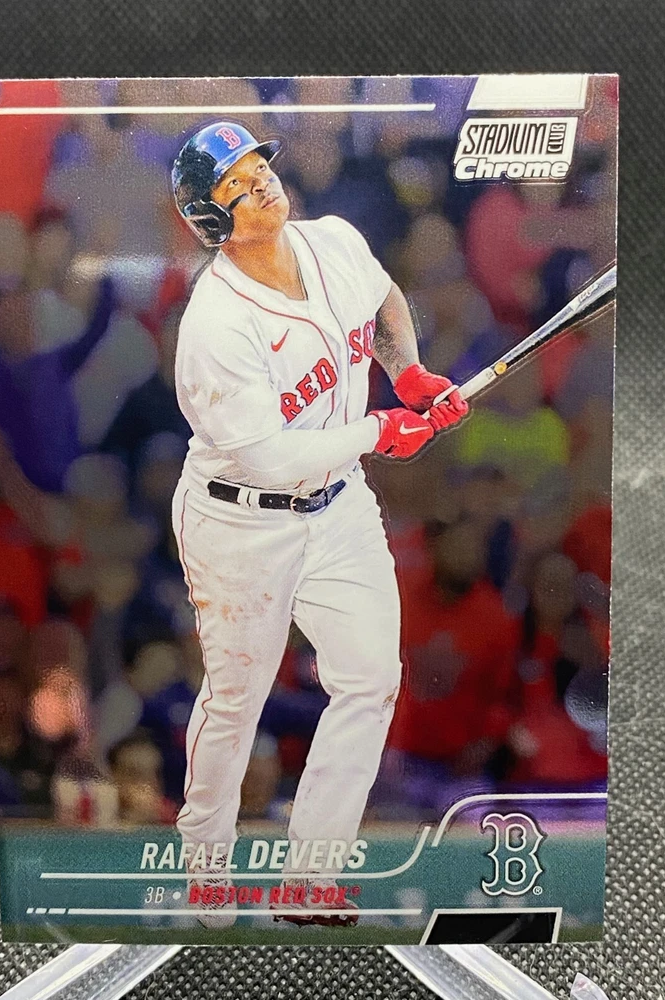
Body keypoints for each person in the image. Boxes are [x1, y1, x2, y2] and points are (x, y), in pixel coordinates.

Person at [169, 121, 468, 929]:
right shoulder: (216, 324)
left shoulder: (333, 239)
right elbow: (269, 458)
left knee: (369, 681)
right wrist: (378, 429)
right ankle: (205, 858)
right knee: (237, 699)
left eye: (258, 166)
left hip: (338, 502)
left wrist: (406, 372)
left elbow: (384, 300)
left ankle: (311, 878)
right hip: (240, 519)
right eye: (235, 183)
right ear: (211, 218)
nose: (260, 182)